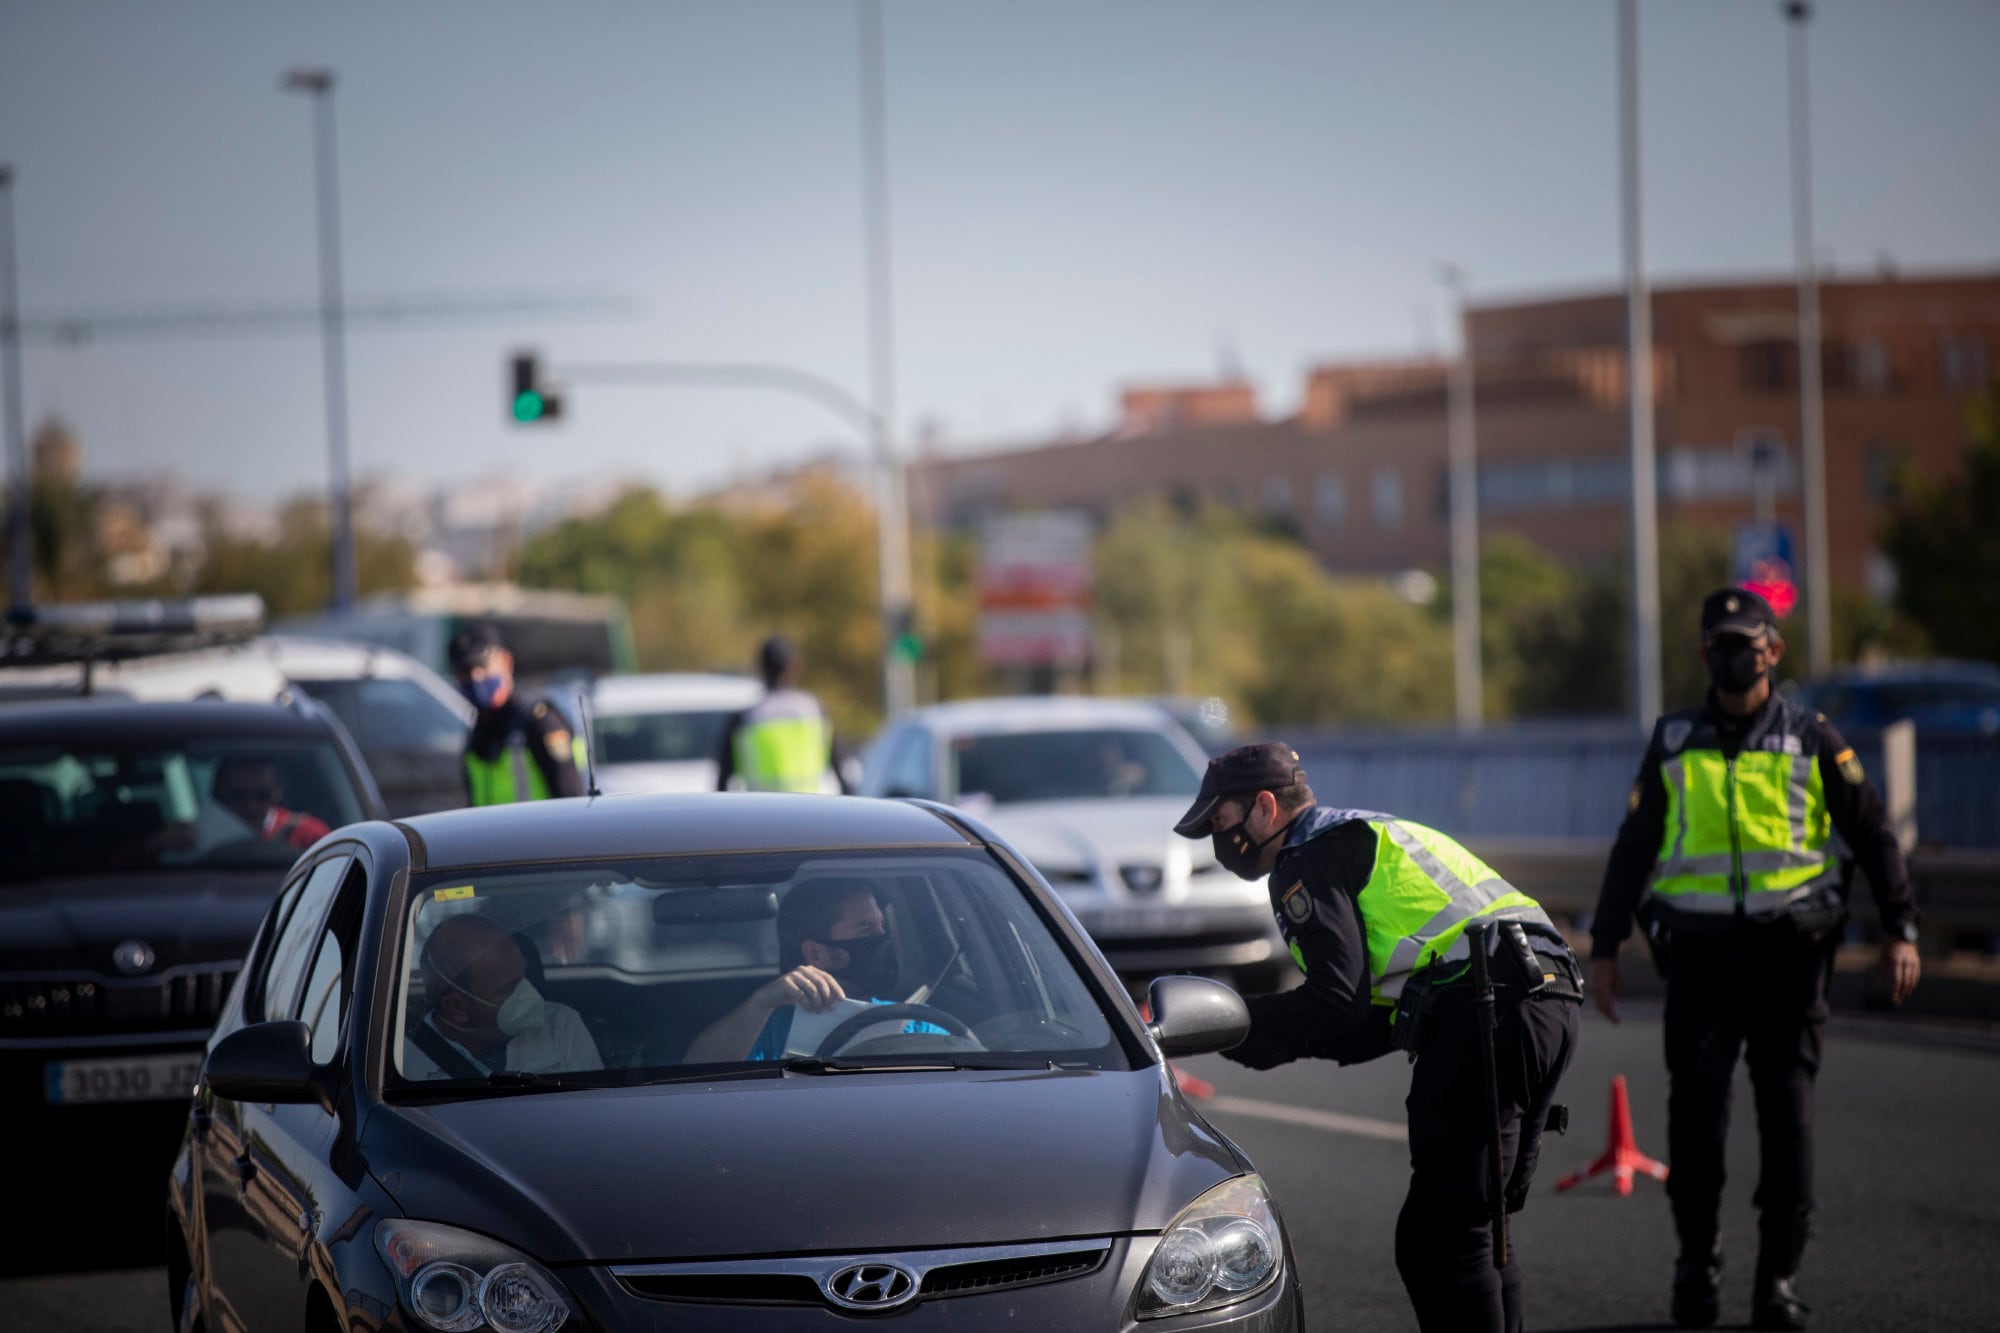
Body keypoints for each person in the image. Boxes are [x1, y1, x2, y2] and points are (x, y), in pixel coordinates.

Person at [1590, 587, 1920, 1331]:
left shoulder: (1812, 735)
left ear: (1773, 649)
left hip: (1790, 958)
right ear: (1705, 653)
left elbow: (1874, 835)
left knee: (1788, 1120)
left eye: (1747, 641)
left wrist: (1902, 928)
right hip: (1700, 961)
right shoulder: (1674, 739)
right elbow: (1633, 848)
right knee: (1697, 1120)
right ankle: (1697, 1263)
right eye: (1721, 644)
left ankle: (1777, 1278)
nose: (1734, 655)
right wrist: (1604, 948)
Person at [1171, 742, 1583, 1333]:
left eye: (1220, 820)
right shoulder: (1365, 831)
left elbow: (1335, 999)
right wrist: (1271, 1043)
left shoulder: (1303, 857)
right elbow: (1375, 1017)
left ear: (1264, 807)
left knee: (1437, 1242)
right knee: (1478, 1230)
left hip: (1487, 1005)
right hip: (1548, 994)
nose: (1218, 837)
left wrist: (1243, 1020)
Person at [683, 880, 941, 1062]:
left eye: (882, 927)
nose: (883, 938)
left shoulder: (917, 1020)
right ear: (816, 954)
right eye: (866, 930)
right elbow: (696, 1078)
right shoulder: (770, 1025)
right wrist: (760, 1004)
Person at [403, 913, 601, 1079]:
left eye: (524, 975)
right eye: (510, 988)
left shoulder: (562, 1027)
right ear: (457, 1008)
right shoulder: (402, 1064)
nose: (528, 991)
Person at [449, 623, 585, 806]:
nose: (475, 678)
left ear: (506, 662)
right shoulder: (477, 731)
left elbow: (571, 801)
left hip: (538, 833)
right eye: (465, 671)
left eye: (482, 667)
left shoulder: (539, 721)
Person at [715, 634, 849, 793]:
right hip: (811, 811)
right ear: (796, 666)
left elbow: (722, 783)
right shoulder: (815, 711)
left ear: (759, 668)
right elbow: (842, 773)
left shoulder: (745, 720)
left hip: (762, 814)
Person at [212, 756, 331, 850]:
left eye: (262, 796)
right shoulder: (204, 837)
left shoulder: (308, 835)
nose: (251, 805)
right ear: (222, 796)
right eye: (238, 796)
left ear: (277, 794)